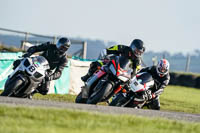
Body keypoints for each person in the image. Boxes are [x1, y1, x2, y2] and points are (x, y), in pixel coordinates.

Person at [81, 39, 146, 82]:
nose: (137, 53)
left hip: (123, 73)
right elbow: (108, 50)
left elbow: (135, 72)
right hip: (111, 63)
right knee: (96, 64)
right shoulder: (122, 48)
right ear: (132, 47)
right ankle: (87, 76)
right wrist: (104, 56)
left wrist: (131, 78)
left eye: (139, 52)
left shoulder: (138, 61)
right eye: (137, 50)